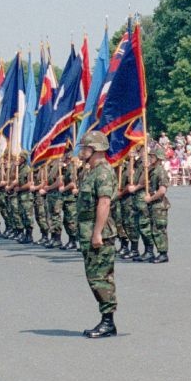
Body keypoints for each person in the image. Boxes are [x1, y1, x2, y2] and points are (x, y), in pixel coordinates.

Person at [76, 130, 120, 338]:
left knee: (100, 277)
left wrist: (97, 233)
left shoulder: (102, 172)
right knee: (94, 277)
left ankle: (108, 322)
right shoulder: (91, 171)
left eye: (84, 147)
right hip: (88, 231)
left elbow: (104, 203)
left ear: (94, 149)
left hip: (99, 233)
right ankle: (106, 320)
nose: (81, 151)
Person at [143, 142, 171, 263]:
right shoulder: (153, 170)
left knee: (159, 230)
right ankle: (159, 252)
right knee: (154, 229)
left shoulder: (160, 171)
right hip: (154, 205)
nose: (150, 158)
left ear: (158, 158)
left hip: (159, 205)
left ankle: (163, 253)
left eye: (152, 156)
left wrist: (151, 198)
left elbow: (162, 191)